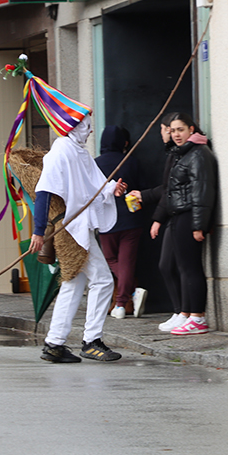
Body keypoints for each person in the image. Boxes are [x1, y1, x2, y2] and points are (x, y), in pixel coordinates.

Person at [28, 114, 128, 362]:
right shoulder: (61, 152)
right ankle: (91, 341)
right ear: (73, 127)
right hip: (72, 228)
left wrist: (111, 188)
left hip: (76, 226)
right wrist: (38, 231)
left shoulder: (78, 151)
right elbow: (44, 191)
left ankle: (54, 344)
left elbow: (91, 186)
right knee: (103, 280)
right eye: (86, 126)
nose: (90, 131)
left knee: (73, 284)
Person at [132, 113, 217, 336]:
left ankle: (197, 317)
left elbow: (202, 191)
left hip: (188, 215)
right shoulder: (182, 153)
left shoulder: (198, 153)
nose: (176, 134)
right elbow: (171, 190)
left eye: (180, 130)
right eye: (173, 130)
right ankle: (186, 314)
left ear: (191, 129)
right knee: (181, 267)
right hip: (178, 214)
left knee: (190, 268)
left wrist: (199, 224)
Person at [96, 125, 144, 319]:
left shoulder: (95, 164)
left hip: (107, 220)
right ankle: (123, 303)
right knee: (127, 261)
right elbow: (142, 186)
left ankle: (125, 299)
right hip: (132, 218)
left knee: (111, 259)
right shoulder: (132, 161)